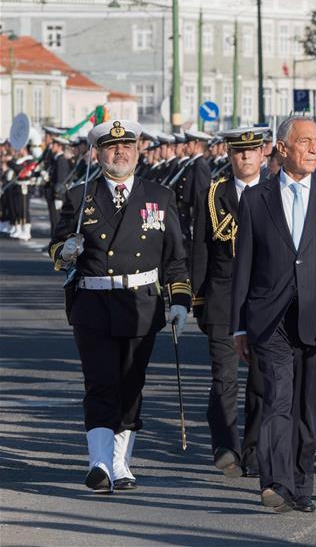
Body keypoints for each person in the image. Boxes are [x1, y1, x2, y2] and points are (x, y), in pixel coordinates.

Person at [230, 115, 316, 513]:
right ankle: (276, 483)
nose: (312, 148)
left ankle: (302, 483)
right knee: (276, 401)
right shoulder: (256, 199)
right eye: (303, 141)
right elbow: (245, 266)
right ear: (283, 148)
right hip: (269, 320)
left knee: (307, 407)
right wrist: (238, 325)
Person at [48, 119, 191, 492]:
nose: (120, 152)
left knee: (130, 384)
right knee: (99, 381)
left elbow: (175, 257)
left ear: (138, 150)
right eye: (112, 148)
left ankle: (120, 463)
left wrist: (179, 300)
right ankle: (98, 464)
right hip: (93, 302)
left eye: (127, 146)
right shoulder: (81, 196)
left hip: (140, 304)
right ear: (98, 154)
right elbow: (57, 246)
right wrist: (64, 251)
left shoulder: (159, 196)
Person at [191, 127, 268, 479]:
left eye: (252, 151)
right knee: (224, 377)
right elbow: (201, 251)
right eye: (239, 152)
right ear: (229, 155)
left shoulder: (276, 192)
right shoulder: (213, 195)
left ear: (263, 154)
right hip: (222, 298)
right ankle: (226, 446)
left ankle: (254, 449)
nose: (246, 158)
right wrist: (198, 299)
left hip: (265, 300)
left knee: (260, 379)